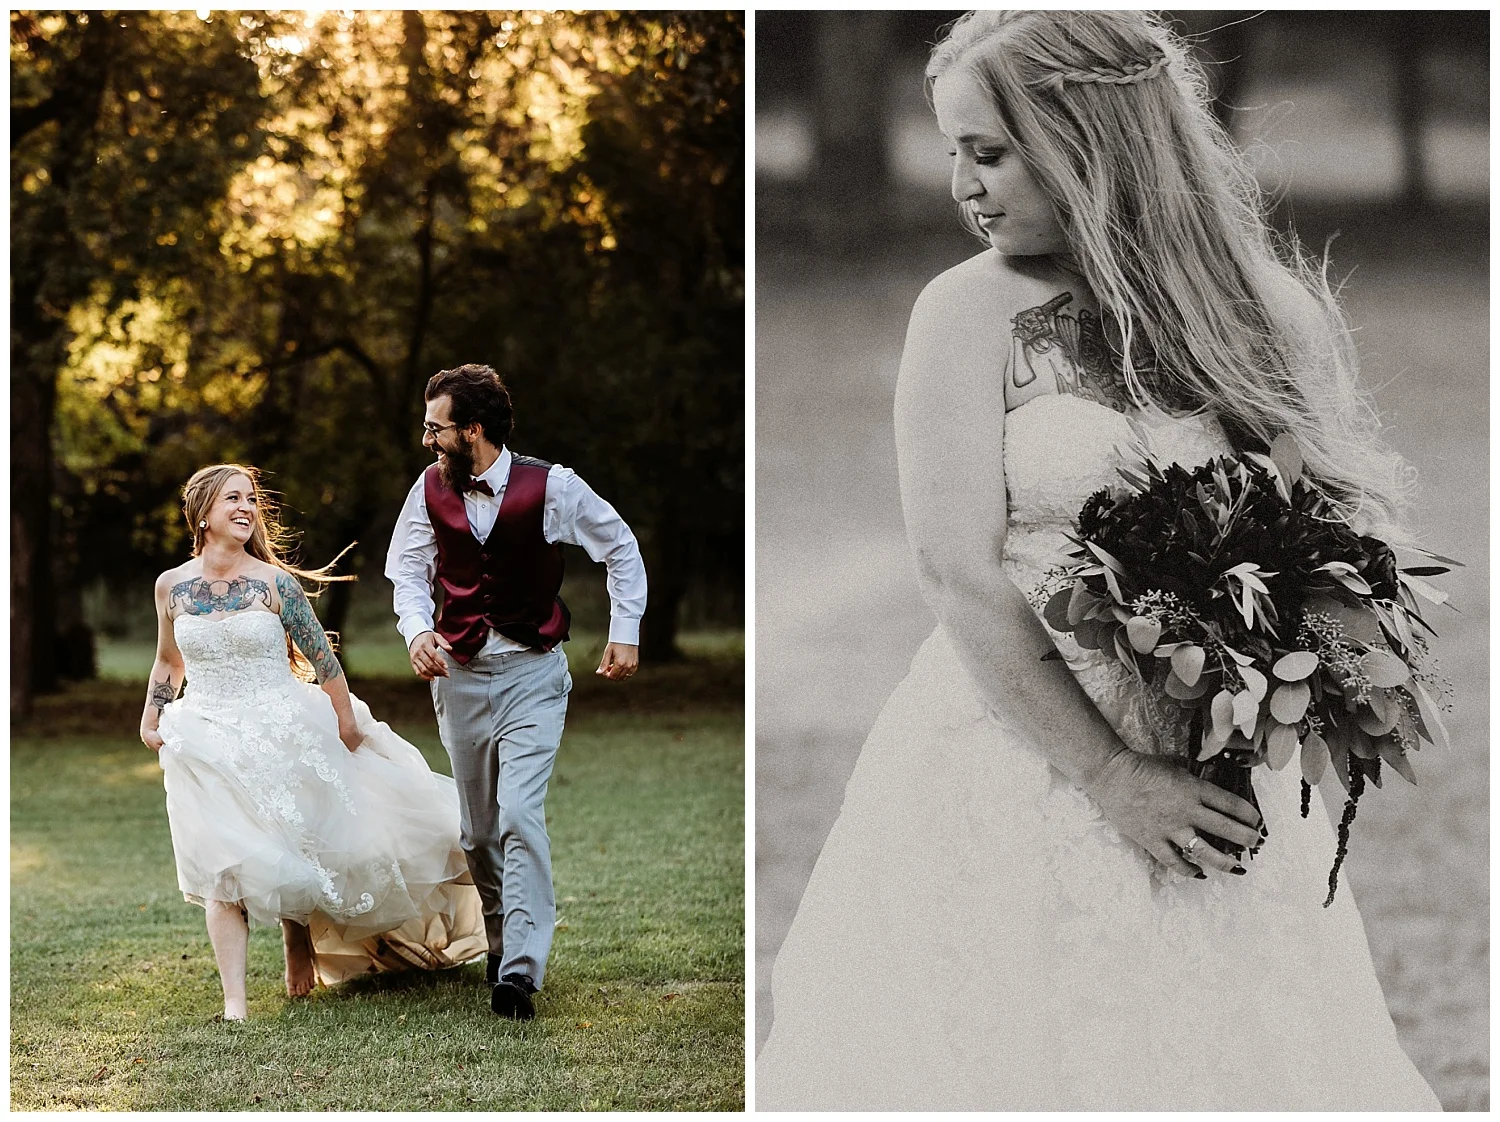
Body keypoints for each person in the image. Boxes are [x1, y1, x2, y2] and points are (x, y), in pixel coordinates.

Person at [757, 11, 1441, 1110]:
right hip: (1014, 751)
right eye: (952, 154)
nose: (963, 187)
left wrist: (1286, 676)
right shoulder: (964, 315)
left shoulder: (1265, 317)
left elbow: (1323, 547)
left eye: (989, 152)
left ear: (1091, 137)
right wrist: (1113, 777)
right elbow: (957, 572)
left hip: (1222, 767)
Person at [139, 464, 486, 1022]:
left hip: (281, 725)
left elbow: (324, 663)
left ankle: (297, 940)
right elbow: (168, 658)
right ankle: (234, 1004)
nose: (247, 507)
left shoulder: (277, 585)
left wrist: (347, 723)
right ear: (203, 514)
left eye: (251, 499)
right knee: (220, 868)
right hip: (205, 735)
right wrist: (153, 714)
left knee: (294, 847)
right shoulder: (170, 586)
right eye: (233, 499)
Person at [386, 363, 647, 1020]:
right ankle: (500, 941)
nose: (426, 440)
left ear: (471, 429)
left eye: (435, 428)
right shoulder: (427, 491)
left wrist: (626, 631)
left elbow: (619, 546)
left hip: (534, 676)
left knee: (519, 818)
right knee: (477, 833)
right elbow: (407, 573)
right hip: (461, 679)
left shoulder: (553, 488)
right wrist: (417, 631)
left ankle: (521, 972)